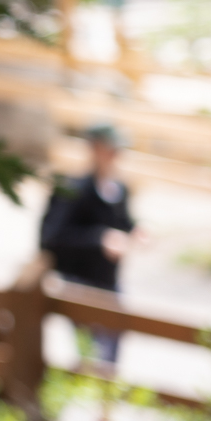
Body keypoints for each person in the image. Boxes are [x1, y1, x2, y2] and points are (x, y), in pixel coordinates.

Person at [40, 122, 138, 365]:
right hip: (80, 281)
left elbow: (123, 224)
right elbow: (51, 238)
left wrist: (137, 231)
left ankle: (103, 399)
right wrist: (99, 239)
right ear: (95, 149)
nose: (116, 157)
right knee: (93, 353)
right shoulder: (73, 190)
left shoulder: (118, 189)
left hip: (109, 283)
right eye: (112, 150)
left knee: (112, 347)